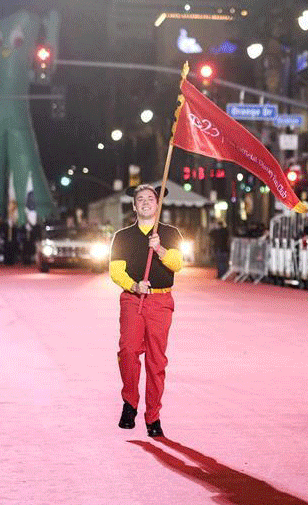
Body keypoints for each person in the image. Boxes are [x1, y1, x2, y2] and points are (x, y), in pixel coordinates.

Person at [109, 184, 183, 437]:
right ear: (134, 206)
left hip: (161, 302)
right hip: (132, 299)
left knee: (156, 360)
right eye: (140, 199)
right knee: (128, 351)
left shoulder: (170, 233)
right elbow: (115, 270)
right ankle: (129, 403)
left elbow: (178, 264)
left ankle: (153, 416)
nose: (145, 202)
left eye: (150, 198)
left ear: (158, 204)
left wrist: (160, 249)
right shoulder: (123, 236)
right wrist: (134, 285)